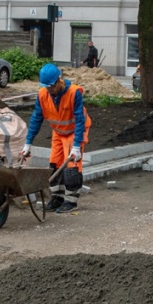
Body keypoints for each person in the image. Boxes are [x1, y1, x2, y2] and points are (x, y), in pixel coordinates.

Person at [20, 63, 92, 214]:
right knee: (54, 164)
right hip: (58, 133)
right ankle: (57, 198)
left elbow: (79, 120)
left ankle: (71, 202)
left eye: (51, 86)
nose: (49, 90)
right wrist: (28, 143)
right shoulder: (42, 95)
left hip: (74, 132)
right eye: (46, 87)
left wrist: (77, 146)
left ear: (59, 80)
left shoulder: (73, 93)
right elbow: (36, 119)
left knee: (71, 168)